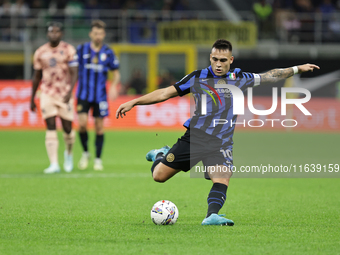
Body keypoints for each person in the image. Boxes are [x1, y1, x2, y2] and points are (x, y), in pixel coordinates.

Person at [116, 39, 320, 225]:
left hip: (221, 142)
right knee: (159, 176)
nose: (219, 63)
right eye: (215, 59)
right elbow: (164, 93)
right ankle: (160, 154)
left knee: (222, 177)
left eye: (223, 59)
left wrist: (296, 68)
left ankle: (211, 216)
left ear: (230, 60)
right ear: (210, 58)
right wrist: (134, 101)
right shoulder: (198, 77)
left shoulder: (240, 77)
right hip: (195, 138)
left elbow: (270, 76)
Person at [30, 22, 78, 174]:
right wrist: (32, 98)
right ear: (47, 34)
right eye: (51, 32)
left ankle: (68, 154)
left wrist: (70, 91)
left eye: (57, 32)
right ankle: (54, 164)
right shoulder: (40, 52)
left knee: (67, 128)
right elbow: (36, 76)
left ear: (61, 34)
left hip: (64, 94)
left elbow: (74, 72)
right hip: (47, 93)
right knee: (50, 125)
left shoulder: (68, 49)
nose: (54, 34)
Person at [76, 19, 120, 171]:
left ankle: (98, 159)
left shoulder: (108, 52)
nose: (98, 36)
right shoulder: (81, 50)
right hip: (83, 94)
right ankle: (86, 153)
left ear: (104, 34)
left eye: (101, 33)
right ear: (90, 34)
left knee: (99, 128)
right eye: (96, 33)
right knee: (82, 125)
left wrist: (114, 85)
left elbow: (116, 72)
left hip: (100, 95)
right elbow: (73, 70)